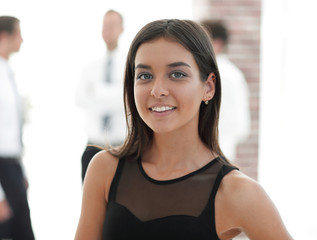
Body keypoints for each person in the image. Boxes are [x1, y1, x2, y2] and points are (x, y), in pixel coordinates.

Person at [74, 19, 292, 240]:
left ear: (208, 87)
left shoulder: (237, 192)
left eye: (177, 74)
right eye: (145, 76)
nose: (157, 90)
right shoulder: (105, 170)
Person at [76, 9, 127, 181]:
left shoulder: (131, 66)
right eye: (105, 25)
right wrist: (115, 93)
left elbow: (128, 100)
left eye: (112, 25)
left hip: (122, 146)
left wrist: (98, 92)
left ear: (122, 29)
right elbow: (80, 99)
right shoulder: (90, 68)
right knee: (90, 204)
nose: (108, 30)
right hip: (94, 146)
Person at [0, 16, 35, 240]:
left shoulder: (7, 71)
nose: (22, 39)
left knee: (24, 232)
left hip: (12, 168)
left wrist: (21, 171)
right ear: (4, 36)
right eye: (18, 33)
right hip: (1, 171)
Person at [201, 20, 251, 161]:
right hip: (219, 153)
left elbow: (236, 122)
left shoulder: (222, 75)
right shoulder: (232, 73)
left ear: (217, 43)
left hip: (214, 153)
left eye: (203, 40)